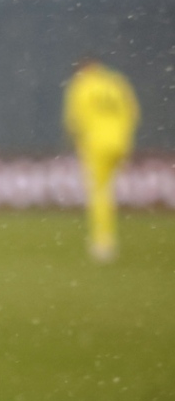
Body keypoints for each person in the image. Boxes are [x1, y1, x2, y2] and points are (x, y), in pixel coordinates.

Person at [64, 58, 139, 262]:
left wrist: (78, 140)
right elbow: (133, 112)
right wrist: (123, 136)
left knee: (99, 193)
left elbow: (74, 120)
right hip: (121, 142)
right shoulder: (116, 82)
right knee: (108, 189)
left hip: (96, 144)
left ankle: (103, 242)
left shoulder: (82, 85)